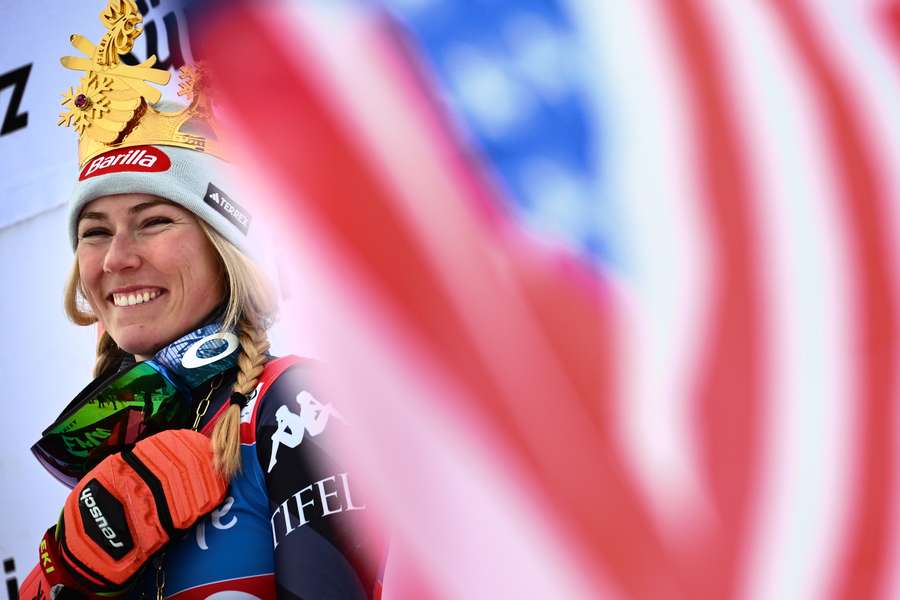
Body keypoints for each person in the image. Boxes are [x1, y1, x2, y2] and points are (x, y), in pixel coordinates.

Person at [19, 1, 383, 598]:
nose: (117, 258)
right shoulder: (105, 454)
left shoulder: (290, 403)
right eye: (96, 231)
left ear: (224, 249)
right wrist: (69, 574)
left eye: (154, 221)